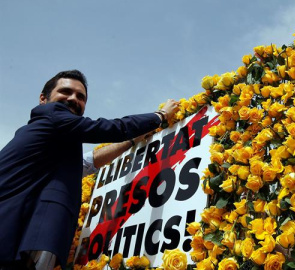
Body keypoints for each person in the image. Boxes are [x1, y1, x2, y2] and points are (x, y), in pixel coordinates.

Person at [0, 70, 179, 270]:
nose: (73, 99)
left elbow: (87, 164)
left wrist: (130, 142)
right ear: (43, 99)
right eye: (65, 91)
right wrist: (160, 115)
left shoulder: (55, 136)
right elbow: (109, 127)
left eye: (80, 97)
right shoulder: (53, 117)